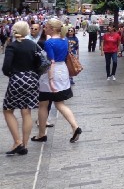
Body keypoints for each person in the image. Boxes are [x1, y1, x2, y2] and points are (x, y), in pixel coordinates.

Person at [32, 18, 82, 144]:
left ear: (52, 29)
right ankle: (75, 126)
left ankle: (41, 134)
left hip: (51, 73)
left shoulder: (49, 43)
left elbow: (50, 63)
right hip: (63, 71)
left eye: (47, 26)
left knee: (43, 104)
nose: (45, 28)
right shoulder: (64, 40)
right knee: (60, 103)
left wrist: (50, 80)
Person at [2, 21, 39, 155]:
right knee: (26, 111)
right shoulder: (33, 45)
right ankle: (24, 144)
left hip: (17, 79)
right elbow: (39, 63)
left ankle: (17, 142)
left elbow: (6, 68)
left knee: (8, 110)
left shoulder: (12, 46)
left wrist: (12, 74)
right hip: (32, 79)